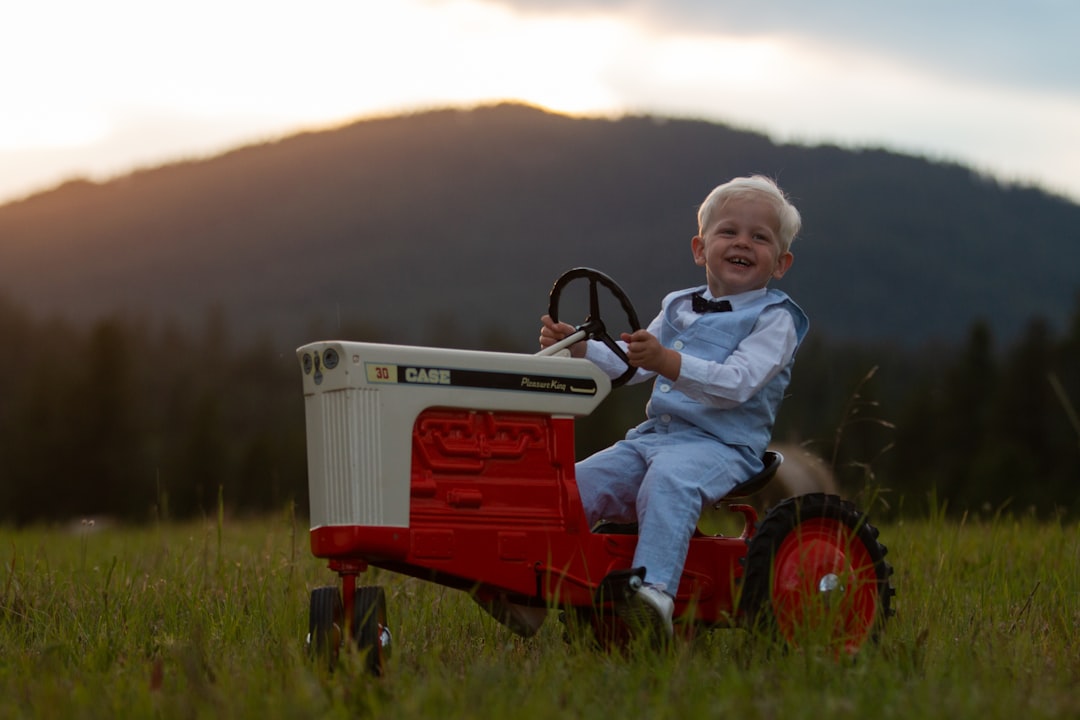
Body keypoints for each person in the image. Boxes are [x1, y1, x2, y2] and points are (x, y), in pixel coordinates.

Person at [539, 175, 809, 642]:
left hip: (723, 447)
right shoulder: (680, 306)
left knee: (670, 482)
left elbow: (737, 383)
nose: (742, 242)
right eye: (728, 232)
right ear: (700, 249)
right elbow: (633, 367)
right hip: (655, 440)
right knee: (574, 485)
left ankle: (654, 595)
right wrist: (581, 350)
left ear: (780, 263)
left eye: (759, 237)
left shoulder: (775, 319)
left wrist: (667, 360)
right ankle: (534, 586)